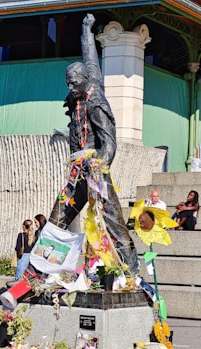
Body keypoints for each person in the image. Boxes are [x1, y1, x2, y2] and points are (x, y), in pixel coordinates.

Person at [47, 13, 138, 274]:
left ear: (84, 80)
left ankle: (130, 271)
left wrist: (99, 166)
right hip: (78, 172)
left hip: (95, 170)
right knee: (59, 217)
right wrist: (86, 29)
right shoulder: (85, 84)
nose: (70, 86)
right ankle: (41, 271)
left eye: (74, 83)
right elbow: (90, 59)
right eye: (68, 82)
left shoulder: (96, 102)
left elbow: (110, 143)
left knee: (113, 222)